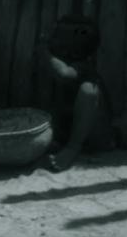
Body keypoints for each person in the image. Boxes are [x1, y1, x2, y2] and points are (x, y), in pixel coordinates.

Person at [45, 14, 115, 172]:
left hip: (96, 137)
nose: (52, 39)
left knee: (88, 91)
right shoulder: (68, 60)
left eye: (57, 37)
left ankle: (72, 148)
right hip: (70, 131)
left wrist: (46, 52)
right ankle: (65, 142)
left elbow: (64, 73)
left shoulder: (82, 65)